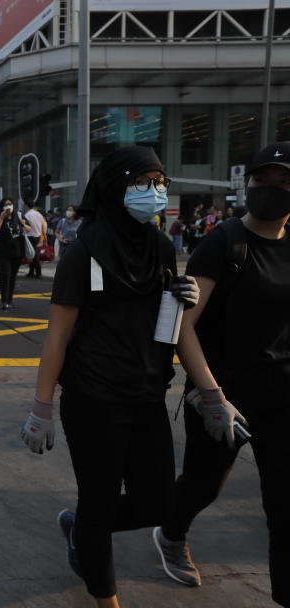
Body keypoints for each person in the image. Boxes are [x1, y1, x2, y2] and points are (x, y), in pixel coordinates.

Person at [19, 146, 198, 608]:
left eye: (161, 183)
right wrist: (42, 409)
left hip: (147, 396)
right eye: (145, 184)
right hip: (92, 399)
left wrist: (182, 301)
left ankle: (83, 529)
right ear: (118, 188)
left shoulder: (159, 247)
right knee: (98, 502)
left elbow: (166, 323)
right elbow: (57, 336)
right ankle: (105, 592)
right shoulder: (85, 252)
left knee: (159, 502)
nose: (156, 193)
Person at [153, 143, 290, 606]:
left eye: (283, 183)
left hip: (282, 396)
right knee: (204, 484)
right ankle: (171, 534)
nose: (271, 191)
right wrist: (212, 395)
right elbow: (183, 328)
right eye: (262, 182)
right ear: (245, 185)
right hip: (222, 391)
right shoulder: (224, 243)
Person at [0, 199, 30, 310]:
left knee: (12, 277)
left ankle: (10, 300)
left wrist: (23, 225)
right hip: (2, 253)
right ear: (2, 206)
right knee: (5, 275)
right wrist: (2, 217)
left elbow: (29, 229)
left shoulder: (19, 216)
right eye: (6, 204)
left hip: (17, 253)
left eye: (10, 204)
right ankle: (4, 301)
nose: (8, 206)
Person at [23, 201, 45, 278]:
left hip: (30, 236)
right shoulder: (39, 214)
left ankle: (38, 272)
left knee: (34, 254)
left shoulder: (27, 215)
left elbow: (25, 227)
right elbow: (43, 225)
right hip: (38, 236)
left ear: (26, 205)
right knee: (32, 253)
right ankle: (31, 271)